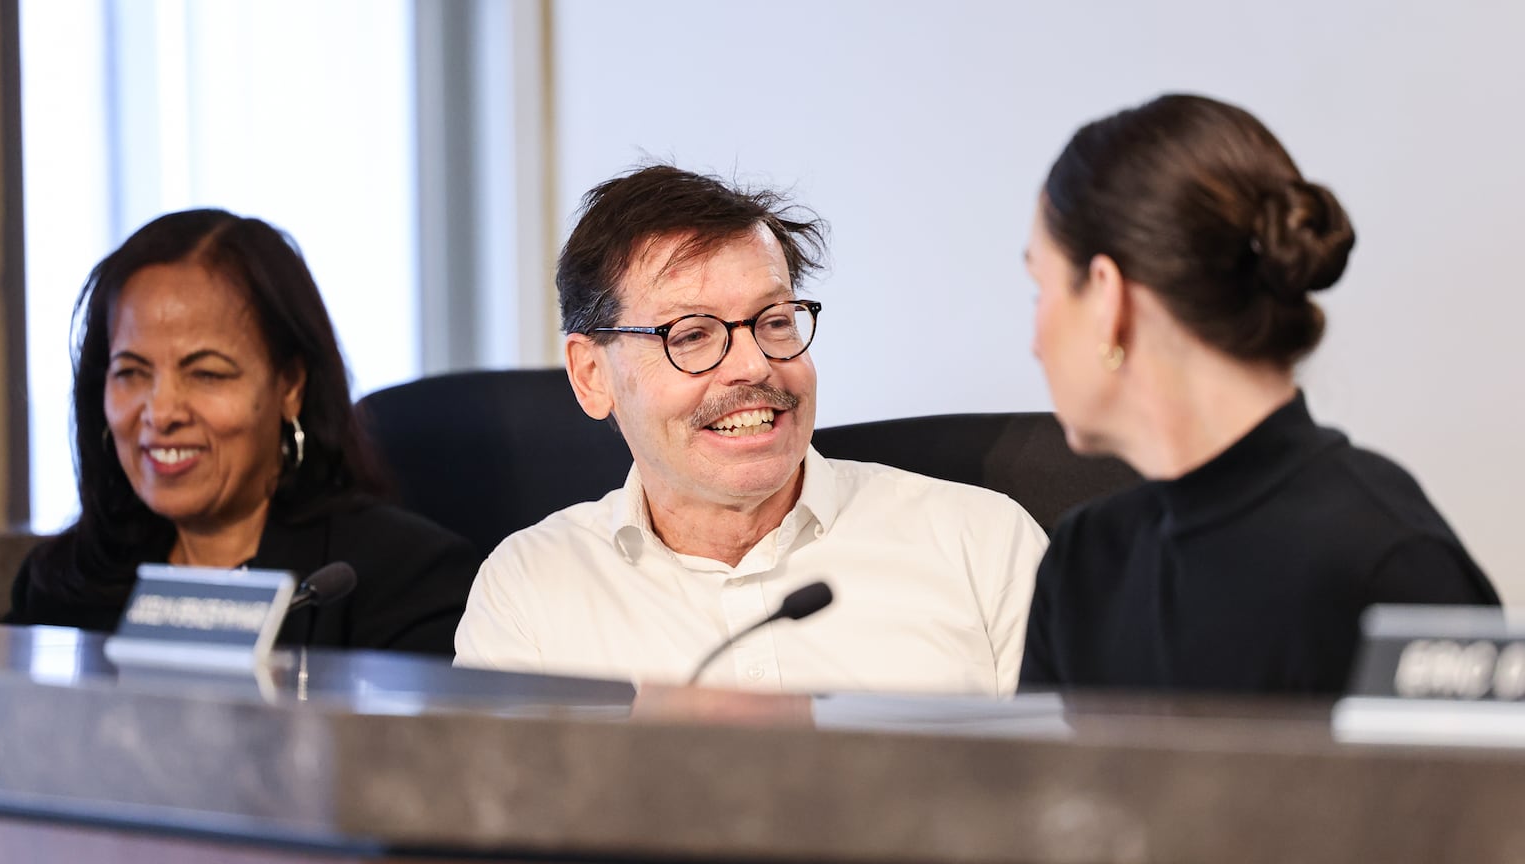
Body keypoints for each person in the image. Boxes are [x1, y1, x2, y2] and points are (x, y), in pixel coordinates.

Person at [455, 165, 1047, 695]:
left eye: (775, 321)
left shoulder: (981, 545)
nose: (754, 365)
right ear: (592, 375)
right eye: (691, 335)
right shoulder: (530, 590)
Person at [1018, 94, 1500, 694]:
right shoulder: (1080, 566)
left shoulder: (1393, 565)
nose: (1034, 342)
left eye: (1039, 287)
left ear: (1106, 297)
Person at [8, 209, 478, 656]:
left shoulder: (406, 580)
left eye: (206, 374)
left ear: (290, 386)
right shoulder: (63, 584)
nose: (161, 413)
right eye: (131, 372)